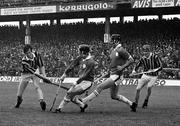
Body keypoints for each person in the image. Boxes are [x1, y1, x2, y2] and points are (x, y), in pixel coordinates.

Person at [81, 34, 137, 112]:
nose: (111, 42)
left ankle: (83, 102)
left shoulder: (121, 50)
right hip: (113, 74)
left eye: (112, 40)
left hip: (117, 75)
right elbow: (113, 62)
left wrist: (122, 67)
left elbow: (131, 60)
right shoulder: (112, 50)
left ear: (116, 41)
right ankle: (132, 104)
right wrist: (109, 70)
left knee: (99, 87)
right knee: (114, 96)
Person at [53, 44, 96, 113]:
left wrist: (76, 82)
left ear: (83, 52)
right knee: (71, 95)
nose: (79, 53)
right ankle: (82, 105)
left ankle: (59, 109)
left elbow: (85, 75)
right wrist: (64, 74)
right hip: (81, 81)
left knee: (70, 93)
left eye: (80, 51)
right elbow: (72, 65)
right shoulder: (80, 58)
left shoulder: (91, 62)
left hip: (87, 82)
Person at [14, 44, 47, 111]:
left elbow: (41, 66)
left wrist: (44, 76)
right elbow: (32, 71)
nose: (28, 54)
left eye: (29, 52)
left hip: (35, 71)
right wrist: (42, 77)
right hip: (26, 74)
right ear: (25, 53)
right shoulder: (24, 61)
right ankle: (19, 100)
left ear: (31, 51)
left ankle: (41, 101)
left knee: (37, 86)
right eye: (26, 53)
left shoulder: (37, 54)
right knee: (20, 91)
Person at [131, 44, 162, 109]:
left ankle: (146, 100)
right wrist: (134, 71)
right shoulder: (143, 58)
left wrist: (154, 69)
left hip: (153, 76)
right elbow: (137, 65)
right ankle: (135, 103)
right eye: (144, 51)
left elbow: (160, 67)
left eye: (146, 51)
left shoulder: (155, 57)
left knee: (149, 87)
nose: (145, 53)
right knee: (138, 89)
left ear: (149, 51)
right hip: (145, 75)